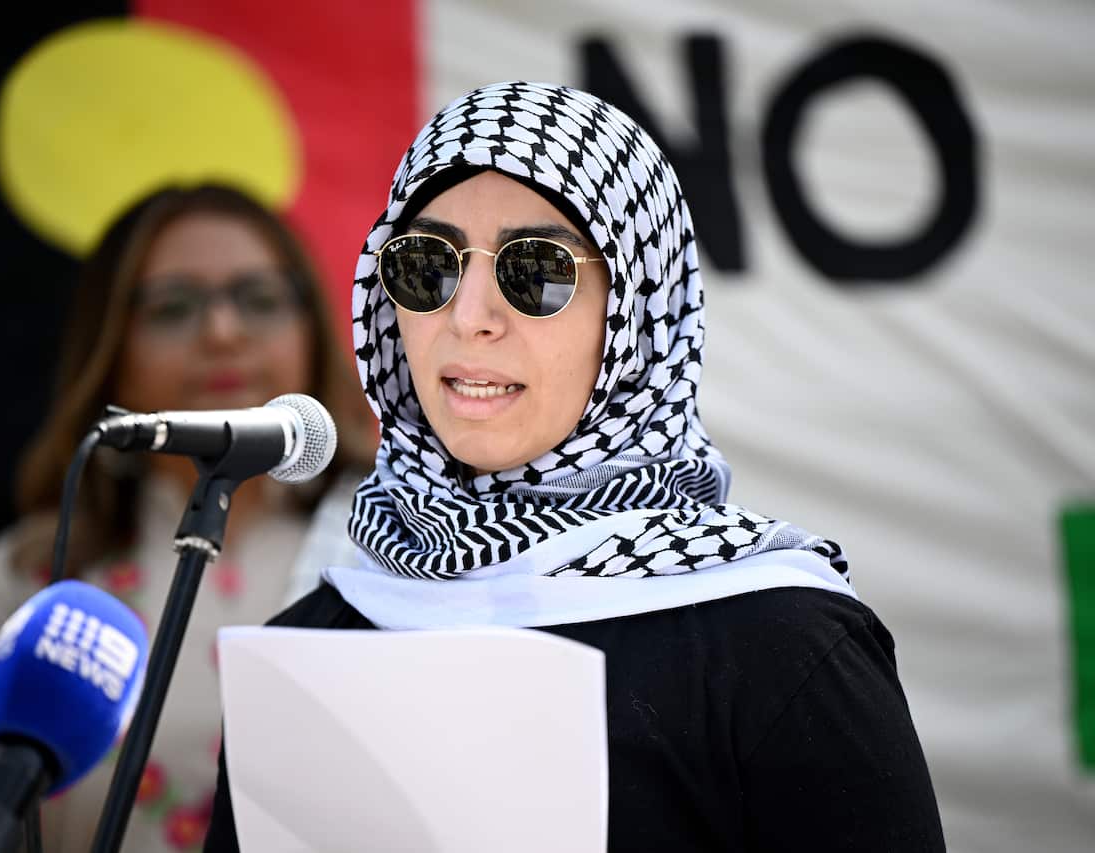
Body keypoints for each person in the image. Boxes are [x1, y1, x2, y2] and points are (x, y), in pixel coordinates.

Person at [202, 82, 946, 851]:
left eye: (536, 271)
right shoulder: (312, 645)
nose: (468, 317)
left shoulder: (778, 646)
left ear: (635, 313)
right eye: (426, 264)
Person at [0, 183, 376, 852]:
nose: (223, 331)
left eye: (260, 299)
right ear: (112, 351)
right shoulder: (40, 576)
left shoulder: (391, 547)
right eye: (173, 307)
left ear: (311, 331)